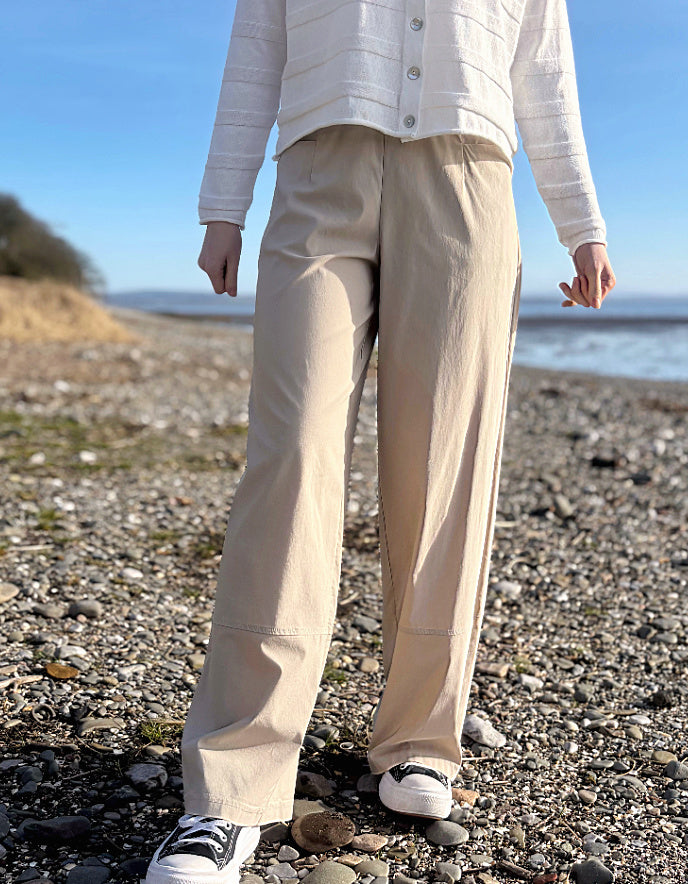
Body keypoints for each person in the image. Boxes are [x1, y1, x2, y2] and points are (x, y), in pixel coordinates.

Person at [145, 0, 616, 881]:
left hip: (469, 178)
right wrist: (224, 202)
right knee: (291, 456)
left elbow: (544, 72)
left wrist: (580, 221)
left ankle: (419, 741)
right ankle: (234, 787)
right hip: (321, 172)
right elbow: (257, 47)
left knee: (446, 467)